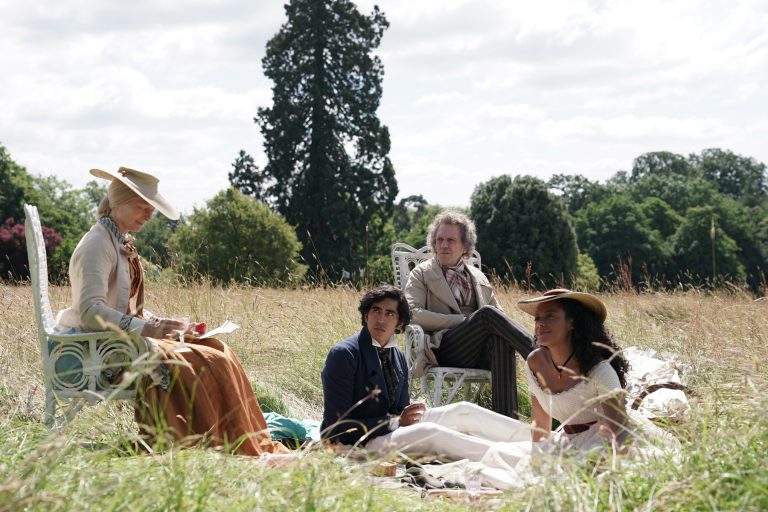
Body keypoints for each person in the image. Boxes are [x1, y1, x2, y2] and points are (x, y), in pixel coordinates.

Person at [55, 166, 288, 457]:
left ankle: (237, 440)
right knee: (204, 360)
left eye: (151, 209)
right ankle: (207, 445)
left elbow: (124, 307)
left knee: (217, 348)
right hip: (101, 351)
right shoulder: (97, 244)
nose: (149, 215)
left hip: (119, 341)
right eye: (142, 207)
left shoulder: (116, 239)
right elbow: (91, 311)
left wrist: (165, 324)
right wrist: (147, 329)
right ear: (118, 203)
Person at [469, 288, 678, 490]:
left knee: (573, 481)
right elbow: (540, 424)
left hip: (608, 440)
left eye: (550, 316)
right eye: (537, 318)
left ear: (572, 323)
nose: (540, 323)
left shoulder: (599, 370)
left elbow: (618, 430)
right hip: (568, 441)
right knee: (506, 460)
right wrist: (538, 461)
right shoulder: (535, 362)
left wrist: (606, 468)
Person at [321, 285, 532, 462]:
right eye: (376, 311)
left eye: (389, 313)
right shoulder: (344, 354)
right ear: (366, 315)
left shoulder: (398, 356)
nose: (381, 319)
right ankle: (518, 460)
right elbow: (335, 428)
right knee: (431, 432)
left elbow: (400, 410)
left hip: (392, 430)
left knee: (462, 410)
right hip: (359, 443)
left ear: (399, 323)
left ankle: (539, 441)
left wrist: (409, 414)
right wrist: (396, 422)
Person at [404, 210, 535, 417]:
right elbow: (412, 313)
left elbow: (500, 317)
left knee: (499, 341)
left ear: (465, 246)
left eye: (451, 240)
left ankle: (506, 421)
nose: (443, 245)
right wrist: (461, 320)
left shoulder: (478, 277)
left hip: (478, 351)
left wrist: (478, 322)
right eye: (439, 240)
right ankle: (537, 353)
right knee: (486, 314)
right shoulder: (422, 273)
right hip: (443, 347)